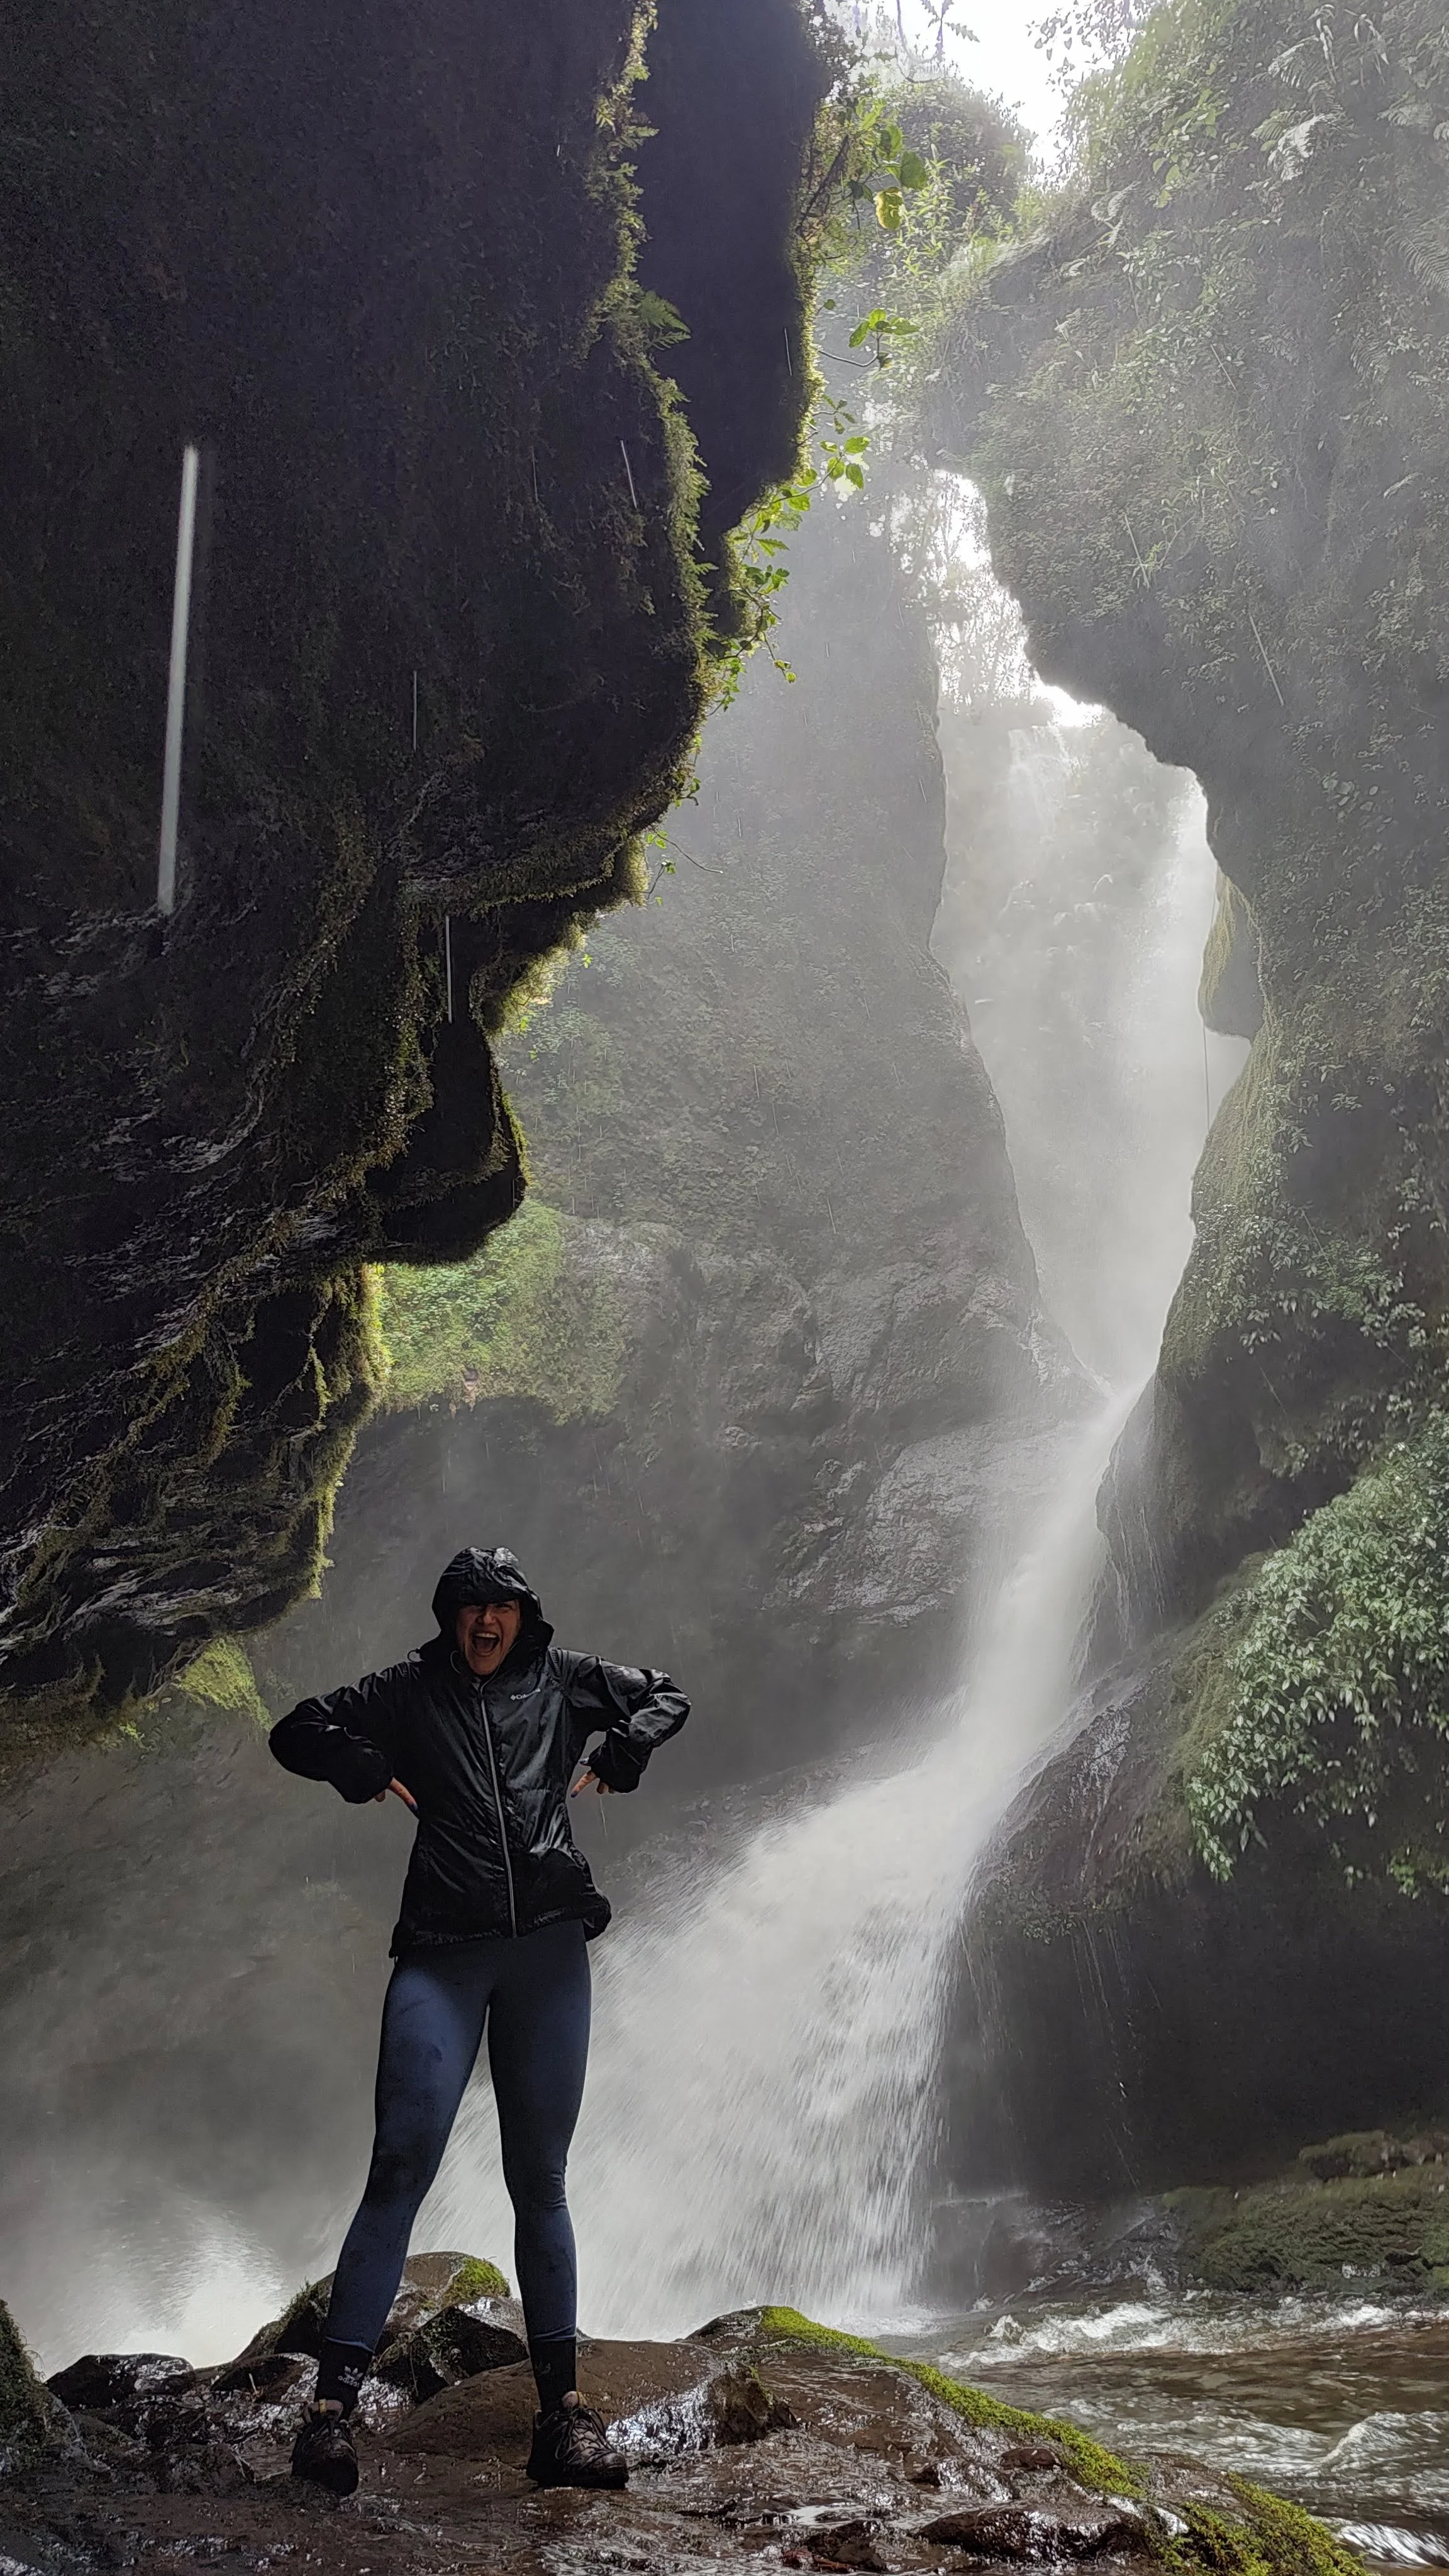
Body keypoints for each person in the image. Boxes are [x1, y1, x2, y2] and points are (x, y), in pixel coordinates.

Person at [268, 1545, 689, 2497]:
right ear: (450, 1617)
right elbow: (297, 1729)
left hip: (546, 1950)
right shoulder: (408, 1689)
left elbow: (665, 1695)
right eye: (471, 1607)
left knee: (540, 2177)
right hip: (442, 1953)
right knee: (399, 2166)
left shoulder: (567, 1678)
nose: (487, 1621)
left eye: (503, 1606)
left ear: (523, 1616)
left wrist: (624, 1749)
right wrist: (361, 1761)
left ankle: (562, 2420)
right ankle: (330, 2417)